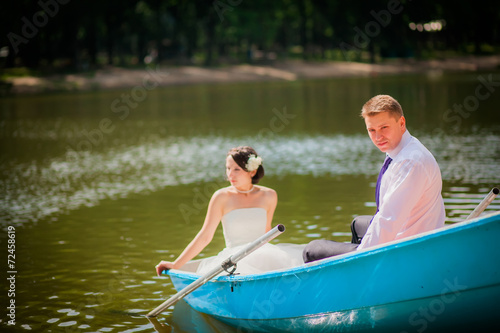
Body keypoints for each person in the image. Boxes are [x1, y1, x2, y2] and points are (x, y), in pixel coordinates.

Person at [303, 94, 446, 262]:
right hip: (417, 229)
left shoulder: (409, 162)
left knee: (311, 250)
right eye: (372, 130)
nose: (378, 137)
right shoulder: (404, 148)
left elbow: (388, 220)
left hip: (409, 247)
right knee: (358, 224)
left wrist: (362, 257)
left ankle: (362, 270)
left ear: (401, 123)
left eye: (384, 127)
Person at [156, 146, 303, 276]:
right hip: (235, 257)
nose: (230, 175)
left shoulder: (269, 195)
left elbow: (267, 232)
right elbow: (205, 236)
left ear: (252, 172)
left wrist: (274, 259)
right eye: (228, 168)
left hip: (264, 254)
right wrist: (176, 265)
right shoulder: (221, 197)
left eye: (236, 169)